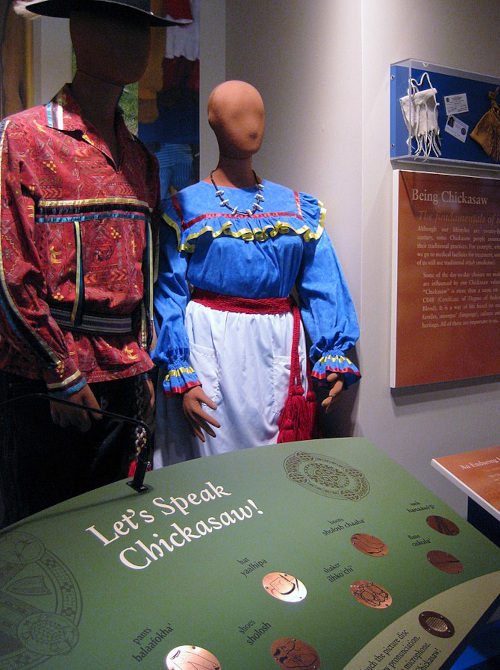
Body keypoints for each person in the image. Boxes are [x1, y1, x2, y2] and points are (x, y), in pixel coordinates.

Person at [0, 0, 189, 528]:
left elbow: (145, 276)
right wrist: (57, 373)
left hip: (123, 378)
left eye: (144, 28)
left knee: (114, 534)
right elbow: (8, 270)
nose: (137, 42)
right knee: (40, 539)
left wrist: (144, 364)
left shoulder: (140, 160)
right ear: (80, 31)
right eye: (118, 23)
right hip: (48, 382)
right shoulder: (24, 138)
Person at [152, 80, 360, 466]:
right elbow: (169, 293)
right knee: (210, 469)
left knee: (275, 467)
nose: (251, 125)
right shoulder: (185, 207)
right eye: (236, 114)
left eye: (258, 114)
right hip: (209, 345)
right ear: (214, 122)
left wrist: (332, 353)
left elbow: (323, 284)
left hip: (278, 345)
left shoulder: (298, 208)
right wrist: (180, 371)